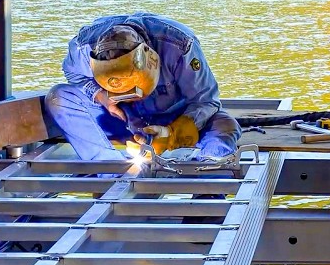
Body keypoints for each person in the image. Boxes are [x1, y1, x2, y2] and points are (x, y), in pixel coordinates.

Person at [43, 12, 240, 161]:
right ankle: (111, 171)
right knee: (59, 97)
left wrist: (171, 133)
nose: (132, 96)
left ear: (151, 59)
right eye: (123, 91)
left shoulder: (180, 45)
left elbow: (206, 100)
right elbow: (73, 73)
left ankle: (204, 184)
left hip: (174, 116)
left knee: (225, 128)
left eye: (135, 89)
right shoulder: (83, 48)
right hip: (119, 118)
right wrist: (102, 96)